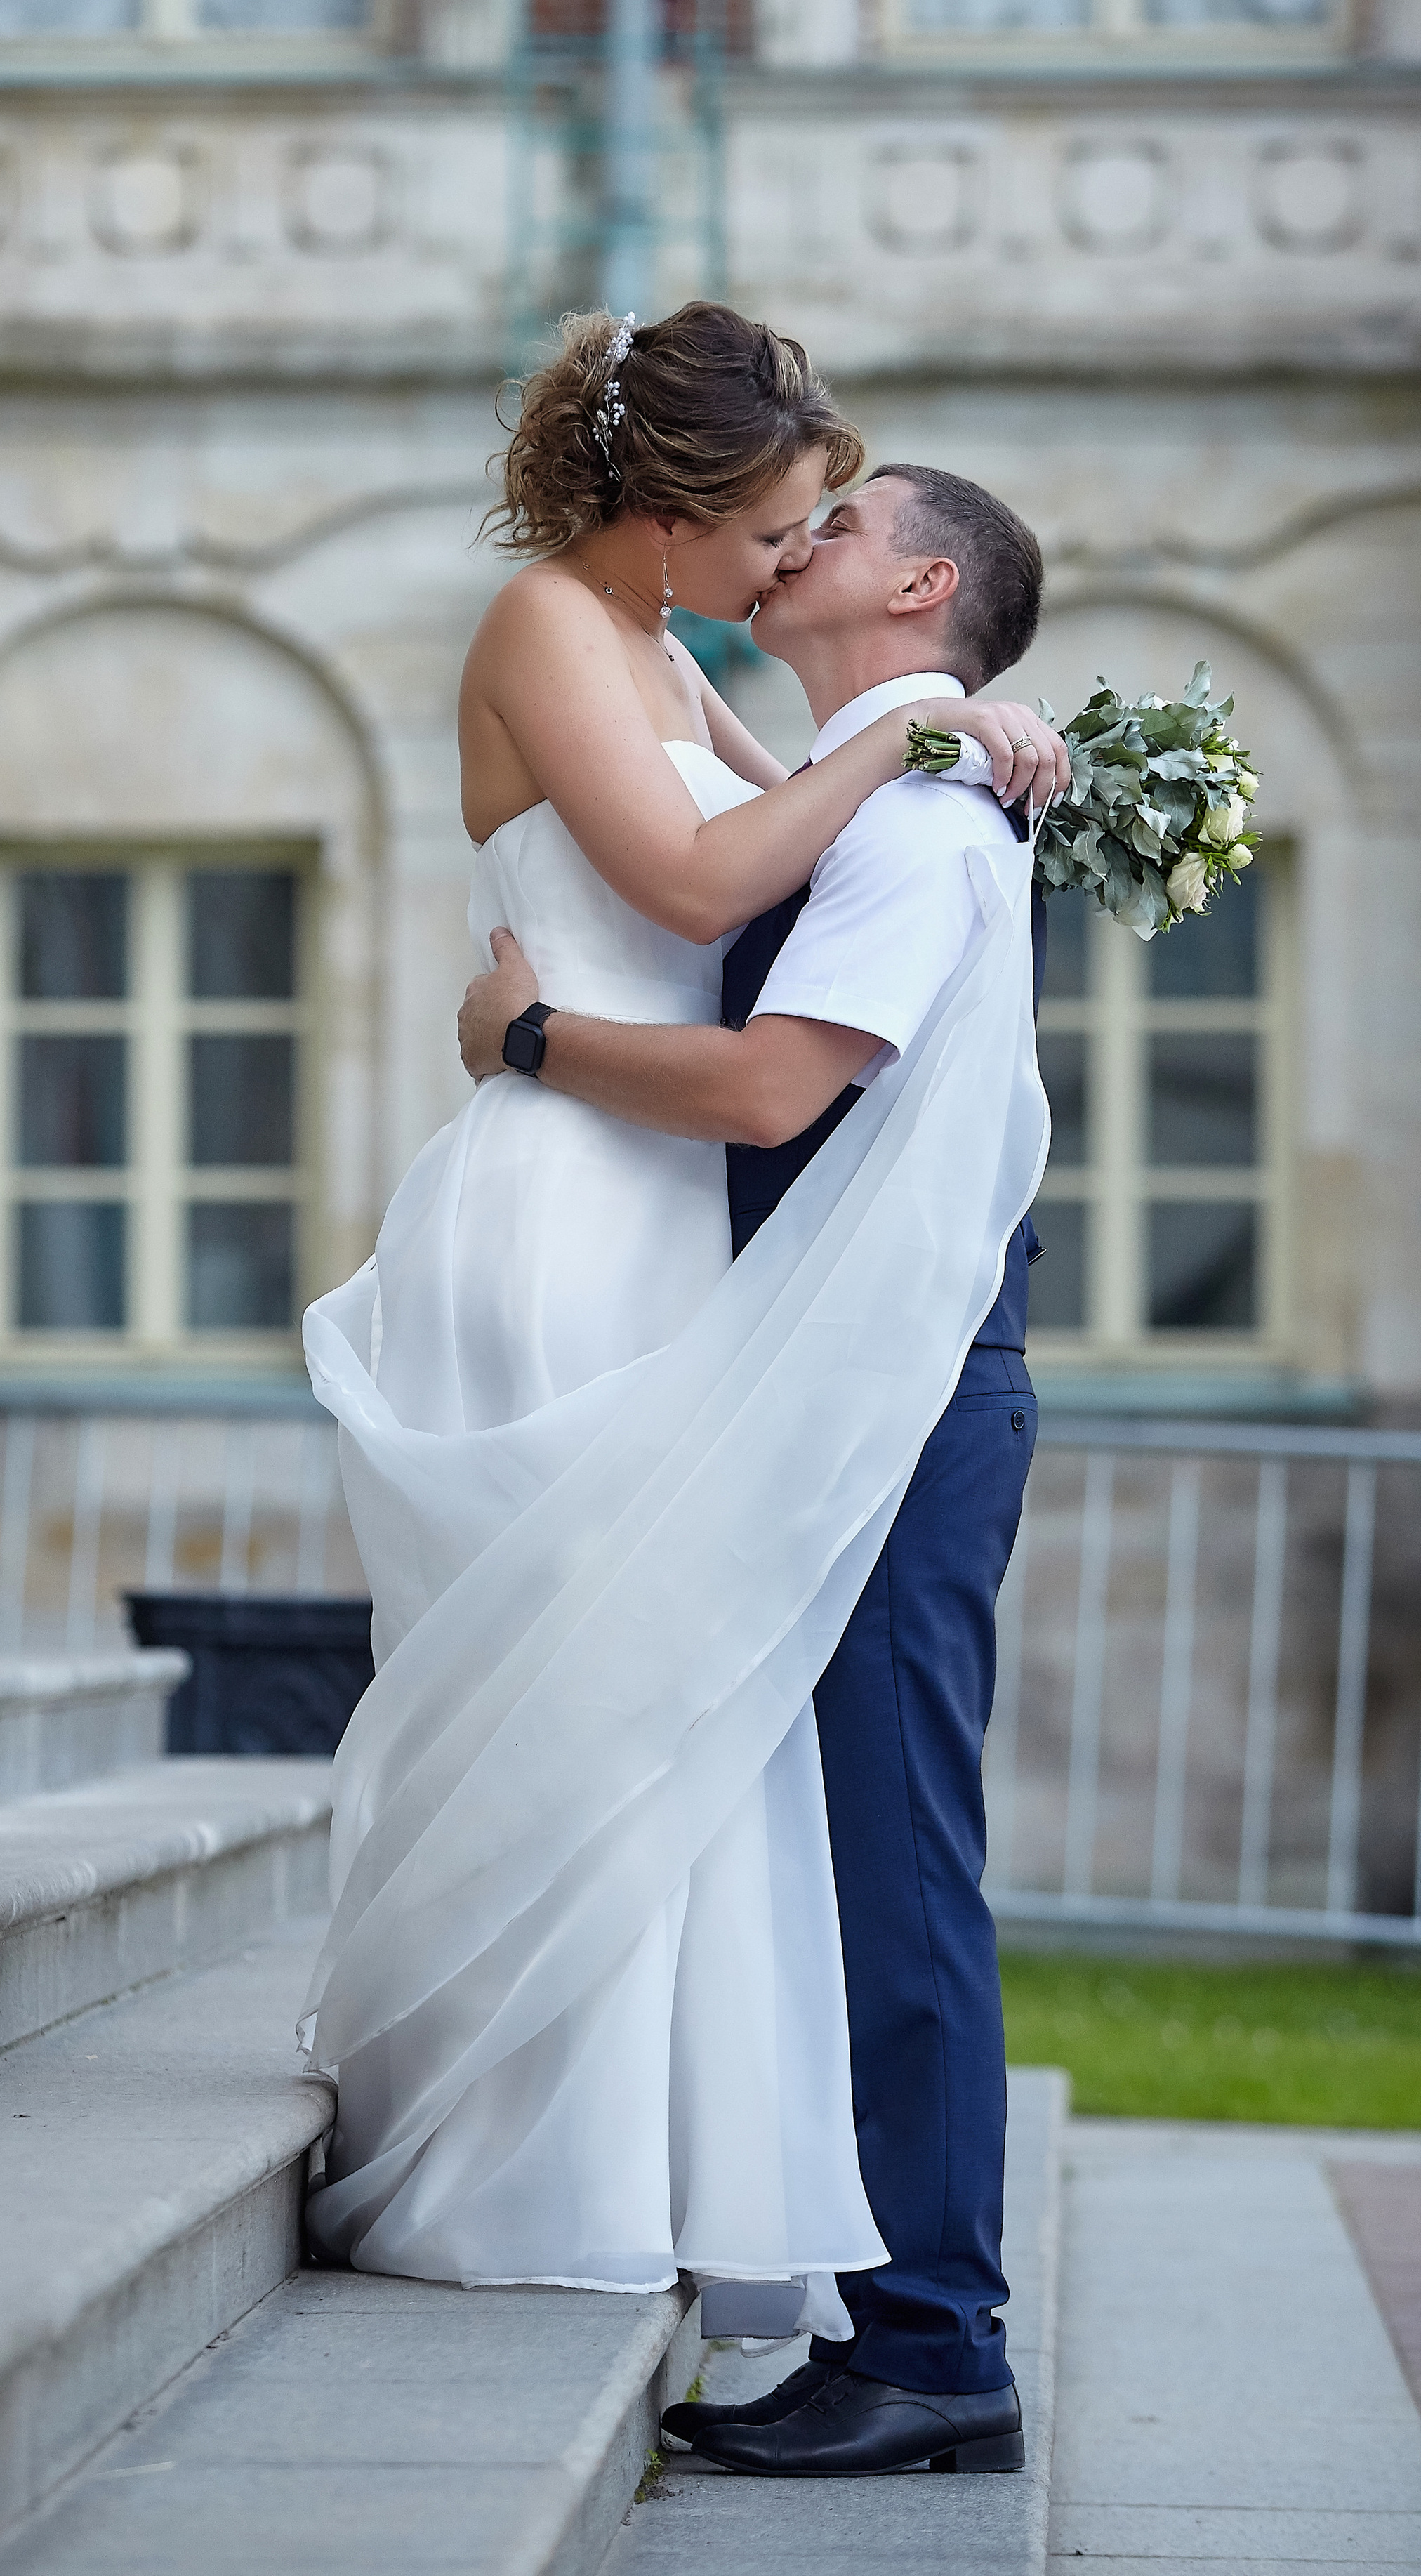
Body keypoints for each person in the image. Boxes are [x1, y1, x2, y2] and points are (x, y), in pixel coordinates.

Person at [300, 305, 1062, 2372]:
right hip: (569, 1203)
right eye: (775, 525)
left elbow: (787, 814)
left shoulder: (660, 653)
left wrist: (960, 728)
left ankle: (653, 2167)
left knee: (679, 1712)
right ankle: (522, 2157)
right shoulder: (555, 625)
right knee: (590, 1692)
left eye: (824, 530)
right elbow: (704, 869)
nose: (786, 562)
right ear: (675, 513)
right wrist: (920, 730)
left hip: (674, 1214)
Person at [456, 461, 1051, 2477]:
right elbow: (673, 703)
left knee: (895, 1857)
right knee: (834, 1842)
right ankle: (882, 2306)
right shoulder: (866, 769)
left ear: (923, 583)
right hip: (837, 1375)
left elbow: (772, 1082)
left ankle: (939, 2345)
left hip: (893, 1394)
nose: (798, 540)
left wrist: (528, 1044)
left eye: (844, 516)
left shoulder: (910, 832)